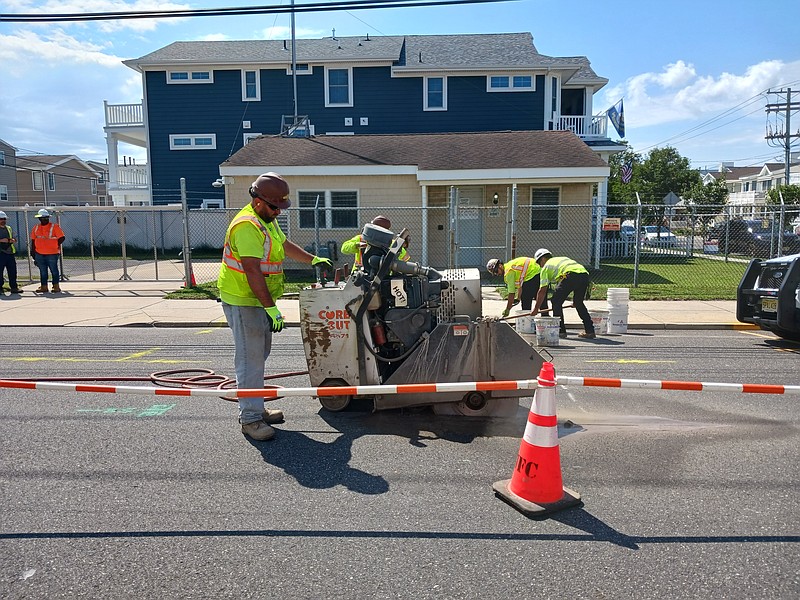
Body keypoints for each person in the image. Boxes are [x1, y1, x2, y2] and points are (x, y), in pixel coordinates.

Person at [217, 172, 332, 441]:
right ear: (258, 201)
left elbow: (284, 244)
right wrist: (270, 308)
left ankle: (255, 407)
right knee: (250, 360)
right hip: (244, 299)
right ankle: (250, 419)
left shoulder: (265, 220)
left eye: (281, 207)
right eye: (274, 207)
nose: (278, 212)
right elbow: (252, 271)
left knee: (259, 355)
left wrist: (312, 259)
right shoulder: (247, 226)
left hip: (257, 300)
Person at [530, 248, 595, 339]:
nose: (539, 266)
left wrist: (536, 308)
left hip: (569, 275)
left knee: (556, 301)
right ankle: (590, 331)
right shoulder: (561, 259)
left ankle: (560, 331)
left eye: (538, 263)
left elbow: (542, 291)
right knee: (578, 303)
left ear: (543, 259)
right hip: (584, 275)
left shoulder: (546, 267)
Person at [341, 215, 409, 272]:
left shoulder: (392, 243)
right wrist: (357, 245)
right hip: (360, 274)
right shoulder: (361, 239)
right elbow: (344, 248)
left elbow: (404, 257)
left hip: (380, 278)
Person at [30, 208, 65, 294]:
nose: (44, 219)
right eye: (42, 218)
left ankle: (56, 286)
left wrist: (55, 245)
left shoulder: (54, 227)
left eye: (46, 218)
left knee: (54, 270)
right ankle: (44, 286)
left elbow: (62, 237)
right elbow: (33, 240)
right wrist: (33, 252)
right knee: (43, 271)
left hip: (52, 253)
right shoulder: (36, 227)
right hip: (39, 253)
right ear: (39, 219)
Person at [0, 211, 22, 294]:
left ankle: (14, 287)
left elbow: (15, 238)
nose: (3, 220)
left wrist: (12, 240)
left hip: (9, 253)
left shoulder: (9, 228)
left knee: (12, 271)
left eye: (4, 219)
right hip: (1, 253)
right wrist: (1, 240)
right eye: (1, 219)